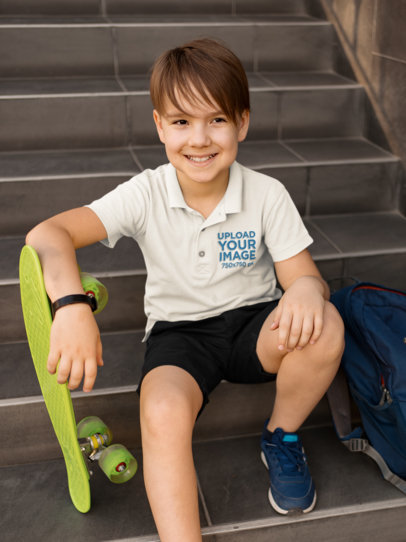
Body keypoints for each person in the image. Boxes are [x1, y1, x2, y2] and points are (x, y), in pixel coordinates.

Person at [26, 38, 344, 541]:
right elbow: (48, 233)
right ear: (159, 125)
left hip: (254, 328)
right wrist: (70, 306)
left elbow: (305, 277)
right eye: (181, 121)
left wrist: (307, 288)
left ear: (242, 122)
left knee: (325, 326)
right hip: (180, 337)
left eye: (216, 119)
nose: (199, 138)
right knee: (161, 410)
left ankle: (280, 436)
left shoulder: (266, 194)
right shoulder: (146, 191)